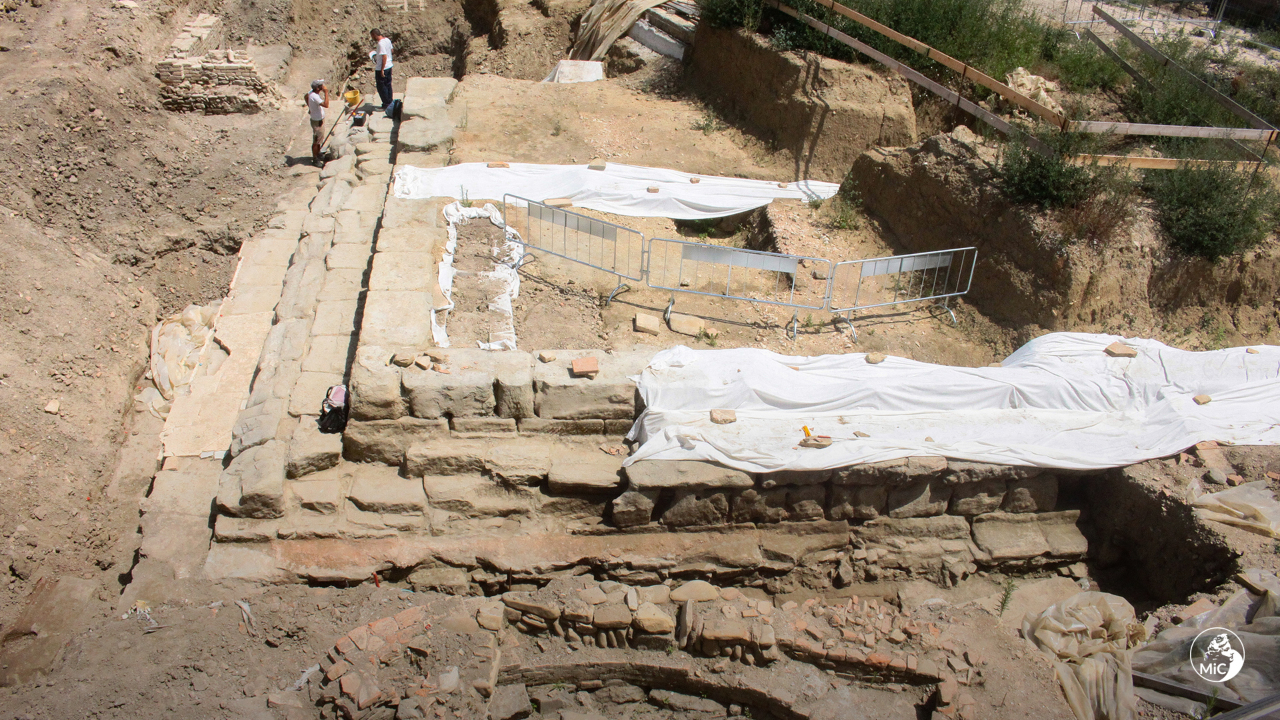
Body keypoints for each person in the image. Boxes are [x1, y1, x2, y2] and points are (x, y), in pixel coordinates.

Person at [306, 79, 329, 166]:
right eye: (322, 85)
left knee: (319, 138)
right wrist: (326, 92)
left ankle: (318, 154)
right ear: (318, 88)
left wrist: (310, 108)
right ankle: (315, 159)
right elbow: (326, 105)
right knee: (316, 141)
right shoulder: (315, 96)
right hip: (317, 121)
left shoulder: (311, 93)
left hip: (318, 119)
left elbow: (306, 96)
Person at [370, 29, 394, 110]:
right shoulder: (387, 40)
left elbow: (384, 56)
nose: (372, 37)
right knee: (388, 84)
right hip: (389, 65)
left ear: (374, 35)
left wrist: (382, 69)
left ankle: (386, 104)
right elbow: (391, 50)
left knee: (381, 86)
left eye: (372, 36)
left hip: (382, 67)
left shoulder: (380, 44)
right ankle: (390, 102)